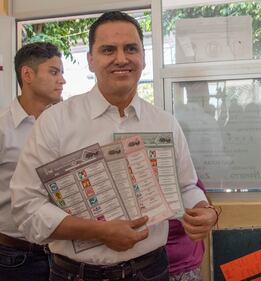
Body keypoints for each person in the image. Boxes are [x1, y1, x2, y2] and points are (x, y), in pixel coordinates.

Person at [10, 11, 217, 281]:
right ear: (91, 60)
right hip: (77, 274)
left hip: (152, 270)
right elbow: (26, 205)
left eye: (131, 49)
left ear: (143, 57)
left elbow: (186, 186)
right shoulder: (56, 122)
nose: (122, 59)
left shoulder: (164, 123)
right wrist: (99, 231)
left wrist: (204, 210)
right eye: (109, 50)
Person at [0, 42, 65, 281]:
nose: (62, 80)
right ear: (27, 74)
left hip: (63, 254)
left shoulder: (63, 124)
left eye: (62, 73)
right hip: (14, 257)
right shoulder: (3, 128)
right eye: (54, 72)